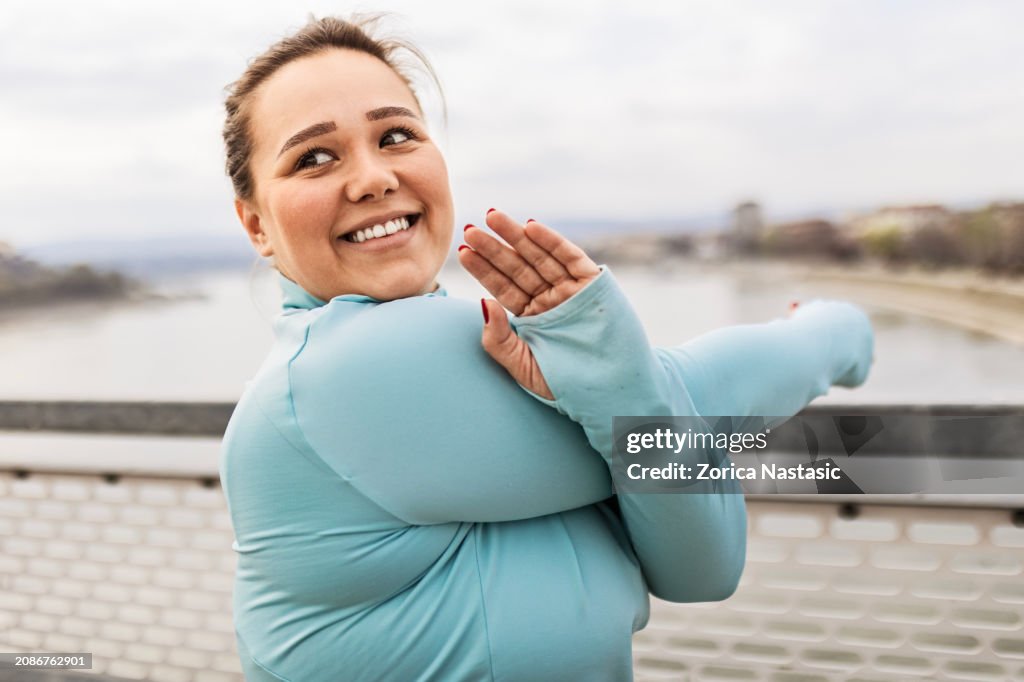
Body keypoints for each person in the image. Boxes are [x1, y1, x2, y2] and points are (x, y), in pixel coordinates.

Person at [218, 16, 874, 682]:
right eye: (314, 157)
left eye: (396, 135)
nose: (373, 178)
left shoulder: (466, 361)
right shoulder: (339, 373)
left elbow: (703, 568)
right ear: (256, 225)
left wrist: (620, 389)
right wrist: (836, 332)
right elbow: (691, 404)